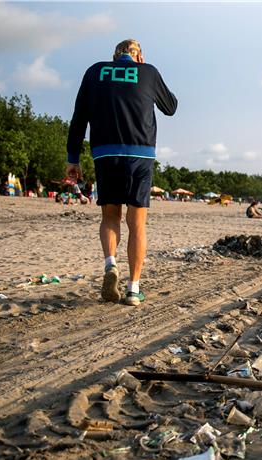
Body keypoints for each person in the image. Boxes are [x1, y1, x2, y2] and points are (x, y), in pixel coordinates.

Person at [66, 38, 177, 306]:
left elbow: (79, 117)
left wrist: (73, 159)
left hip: (105, 153)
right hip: (140, 154)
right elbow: (170, 107)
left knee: (110, 217)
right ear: (139, 57)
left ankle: (111, 264)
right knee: (136, 223)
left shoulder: (95, 71)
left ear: (114, 57)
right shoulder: (148, 71)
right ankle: (133, 289)